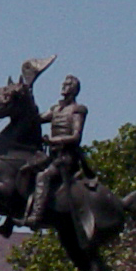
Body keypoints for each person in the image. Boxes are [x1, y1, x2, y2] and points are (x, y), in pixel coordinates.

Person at [23, 74, 89, 228]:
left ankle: (36, 216)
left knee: (42, 176)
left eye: (67, 84)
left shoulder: (78, 110)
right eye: (63, 83)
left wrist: (52, 141)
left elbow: (75, 137)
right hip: (52, 156)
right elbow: (36, 119)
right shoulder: (56, 109)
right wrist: (28, 94)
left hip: (66, 157)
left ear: (73, 89)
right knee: (26, 170)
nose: (63, 86)